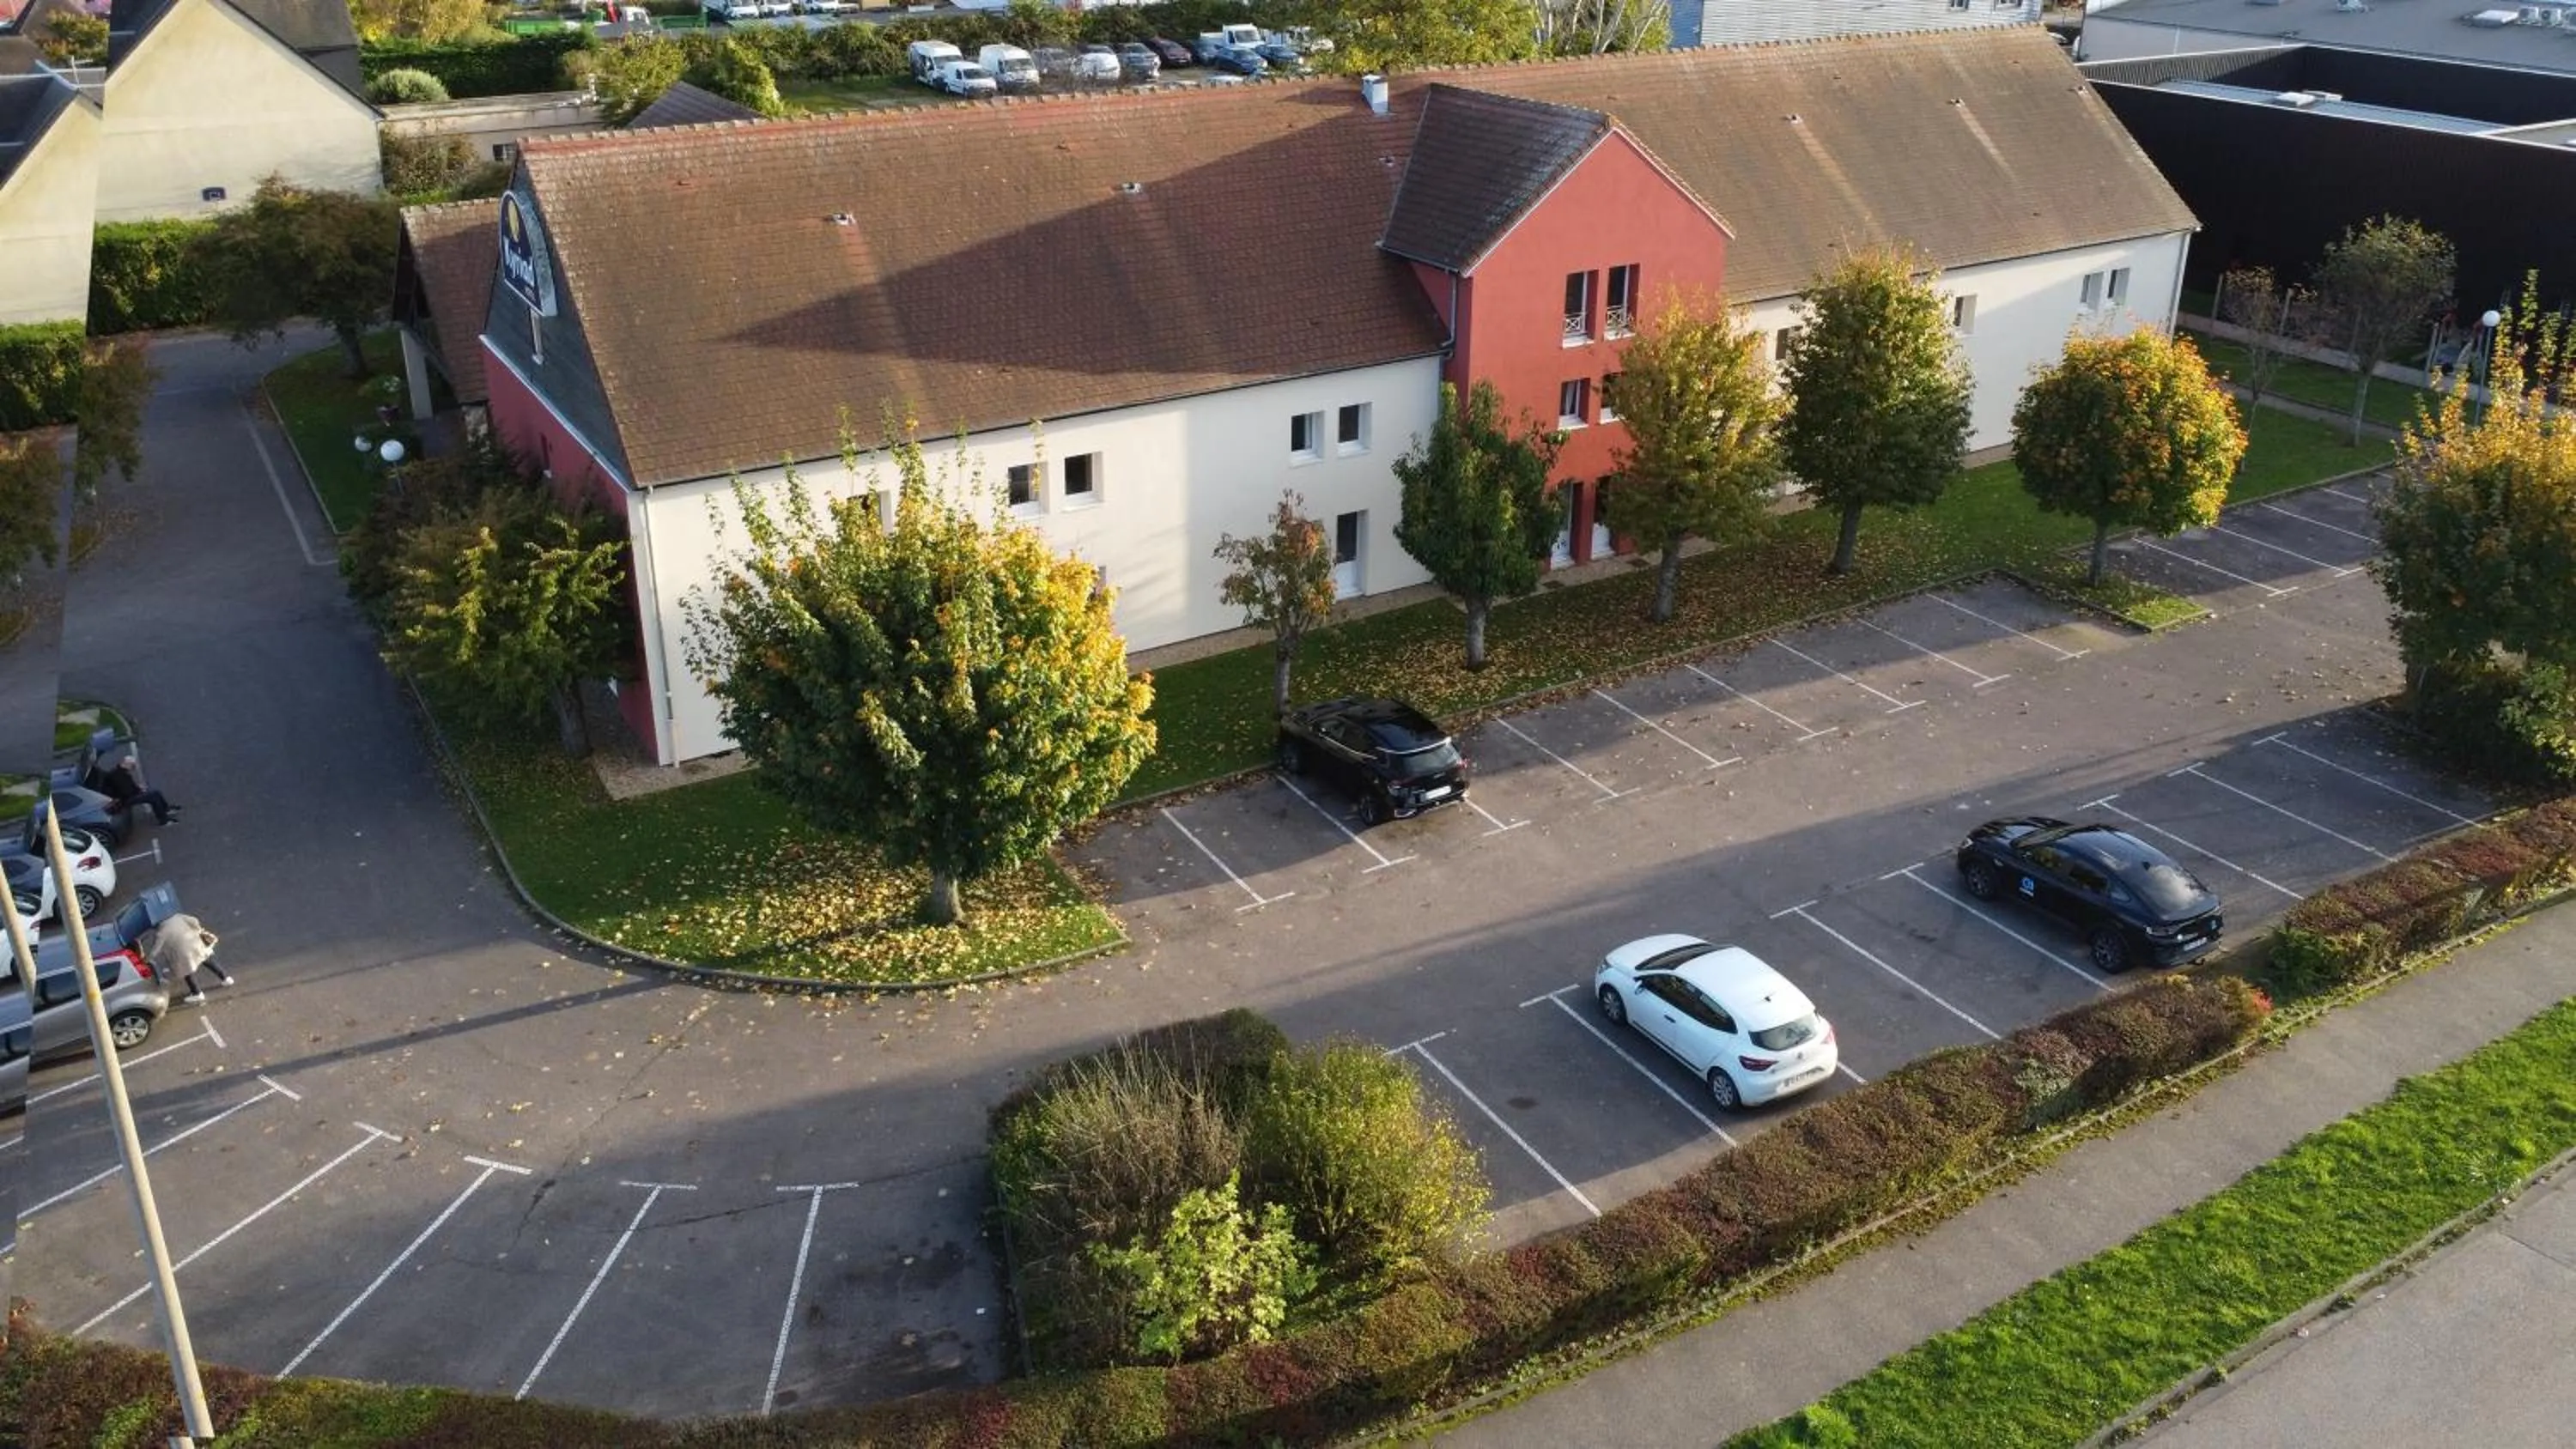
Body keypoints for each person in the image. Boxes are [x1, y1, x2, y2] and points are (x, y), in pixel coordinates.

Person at [144, 912, 232, 1003]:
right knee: (207, 960)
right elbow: (194, 920)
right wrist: (198, 930)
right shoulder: (177, 916)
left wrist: (147, 959)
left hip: (183, 954)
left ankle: (197, 993)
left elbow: (156, 949)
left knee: (187, 971)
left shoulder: (161, 932)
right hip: (196, 943)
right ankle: (225, 978)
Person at [98, 755, 179, 827]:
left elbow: (127, 787)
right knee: (153, 796)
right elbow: (126, 792)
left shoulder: (119, 772)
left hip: (124, 796)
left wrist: (137, 788)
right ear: (128, 764)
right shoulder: (119, 776)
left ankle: (165, 809)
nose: (134, 768)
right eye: (133, 766)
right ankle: (163, 820)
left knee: (155, 793)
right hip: (123, 800)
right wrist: (139, 790)